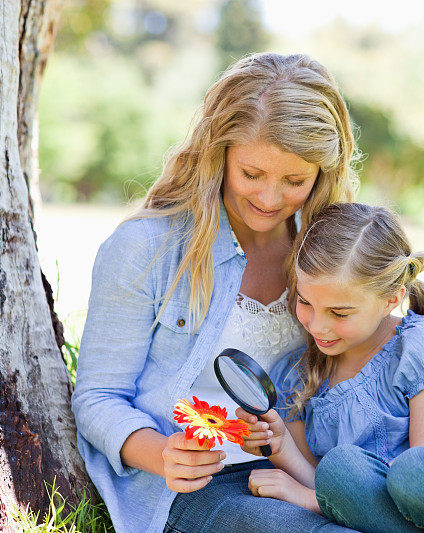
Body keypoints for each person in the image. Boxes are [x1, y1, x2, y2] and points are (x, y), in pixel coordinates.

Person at [71, 52, 363, 533]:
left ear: (323, 173)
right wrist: (163, 454)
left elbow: (390, 351)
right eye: (252, 174)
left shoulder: (327, 253)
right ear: (218, 151)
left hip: (305, 467)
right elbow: (99, 397)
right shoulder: (147, 248)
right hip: (190, 485)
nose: (270, 199)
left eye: (295, 180)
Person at [237, 202, 424, 532]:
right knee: (339, 467)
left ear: (392, 299)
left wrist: (310, 499)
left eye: (339, 313)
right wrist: (281, 447)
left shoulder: (421, 345)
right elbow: (335, 485)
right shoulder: (293, 377)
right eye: (306, 302)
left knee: (412, 470)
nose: (317, 325)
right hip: (391, 520)